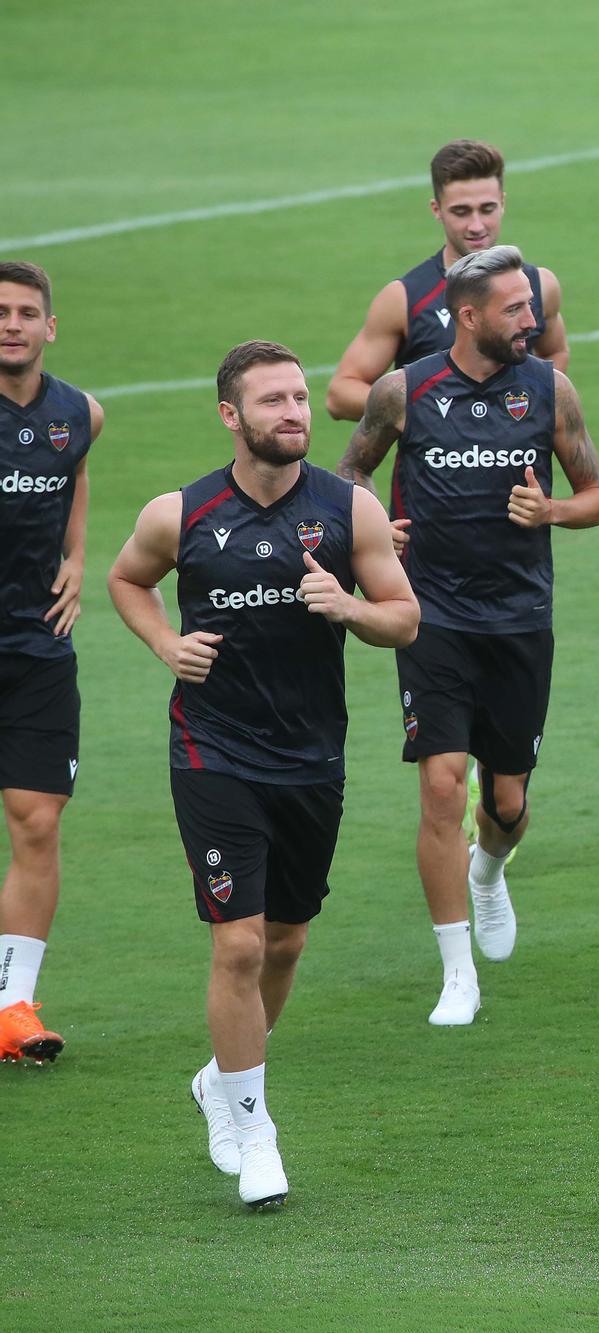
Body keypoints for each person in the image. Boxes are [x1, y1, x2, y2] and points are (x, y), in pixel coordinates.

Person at [106, 341, 418, 1208]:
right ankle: (254, 1129)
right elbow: (127, 579)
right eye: (272, 400)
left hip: (311, 755)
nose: (293, 412)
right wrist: (167, 642)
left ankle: (221, 1077)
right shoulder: (182, 512)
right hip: (213, 749)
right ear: (230, 416)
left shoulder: (347, 508)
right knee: (237, 942)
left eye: (299, 398)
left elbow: (405, 619)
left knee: (285, 941)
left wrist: (349, 606)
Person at [336, 246, 599, 1026]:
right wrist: (370, 528)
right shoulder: (404, 392)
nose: (535, 319)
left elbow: (596, 496)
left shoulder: (548, 390)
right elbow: (348, 473)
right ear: (469, 316)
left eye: (533, 305)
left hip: (521, 619)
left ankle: (489, 871)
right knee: (440, 783)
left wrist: (550, 511)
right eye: (517, 308)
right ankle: (458, 973)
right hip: (432, 618)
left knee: (508, 800)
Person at [0, 262, 100, 1065]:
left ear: (50, 327)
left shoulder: (79, 414)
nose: (12, 324)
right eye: (0, 312)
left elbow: (74, 476)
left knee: (37, 819)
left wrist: (76, 552)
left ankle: (11, 1005)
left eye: (27, 312)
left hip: (37, 647)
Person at [326, 140, 569, 422]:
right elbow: (340, 396)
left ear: (502, 203)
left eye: (487, 209)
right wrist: (424, 406)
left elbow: (556, 351)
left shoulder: (540, 286)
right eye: (461, 212)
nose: (476, 226)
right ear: (436, 209)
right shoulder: (406, 298)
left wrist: (533, 407)